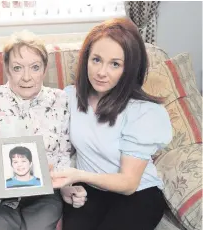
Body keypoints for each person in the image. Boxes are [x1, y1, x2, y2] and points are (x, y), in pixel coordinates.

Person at [51, 17, 173, 230]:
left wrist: (77, 175)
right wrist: (67, 186)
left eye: (115, 64)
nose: (101, 72)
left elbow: (128, 183)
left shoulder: (143, 112)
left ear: (129, 69)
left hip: (137, 195)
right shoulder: (69, 97)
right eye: (96, 60)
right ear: (85, 59)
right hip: (88, 191)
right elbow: (55, 147)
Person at [0, 30, 87, 230]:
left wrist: (64, 186)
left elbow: (63, 152)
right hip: (2, 187)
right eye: (18, 68)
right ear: (7, 69)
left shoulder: (60, 99)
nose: (27, 77)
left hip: (45, 189)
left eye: (35, 67)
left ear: (45, 69)